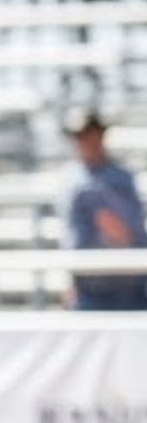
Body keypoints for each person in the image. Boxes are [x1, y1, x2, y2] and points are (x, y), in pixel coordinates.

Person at [57, 109, 147, 310]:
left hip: (127, 286)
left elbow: (129, 233)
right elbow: (71, 235)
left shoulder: (120, 179)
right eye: (81, 137)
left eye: (92, 135)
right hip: (86, 287)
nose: (87, 142)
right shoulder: (69, 180)